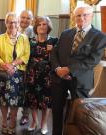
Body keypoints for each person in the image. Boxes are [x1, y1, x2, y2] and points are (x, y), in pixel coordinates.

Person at [50, 5, 106, 135]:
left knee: (80, 113)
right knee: (57, 111)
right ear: (74, 17)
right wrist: (58, 69)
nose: (82, 18)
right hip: (59, 79)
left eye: (85, 15)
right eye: (78, 15)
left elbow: (92, 60)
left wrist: (69, 70)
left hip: (81, 81)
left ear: (91, 16)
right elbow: (54, 53)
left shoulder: (100, 36)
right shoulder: (65, 33)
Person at [0, 12, 30, 135]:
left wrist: (13, 65)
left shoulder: (24, 38)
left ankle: (12, 122)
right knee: (3, 100)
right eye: (10, 21)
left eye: (15, 21)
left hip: (16, 74)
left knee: (14, 101)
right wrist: (5, 65)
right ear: (6, 23)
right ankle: (4, 122)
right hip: (3, 73)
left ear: (18, 23)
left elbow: (26, 55)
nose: (12, 24)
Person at [25, 16, 58, 135]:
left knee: (46, 101)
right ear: (36, 27)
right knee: (32, 99)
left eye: (44, 24)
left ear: (48, 27)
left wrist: (53, 50)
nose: (42, 27)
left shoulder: (54, 41)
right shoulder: (30, 40)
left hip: (47, 77)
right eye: (39, 24)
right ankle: (34, 122)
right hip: (32, 75)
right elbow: (25, 57)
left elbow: (58, 59)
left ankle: (44, 123)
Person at [18, 9, 34, 125]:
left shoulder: (34, 31)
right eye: (23, 17)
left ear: (31, 20)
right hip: (14, 65)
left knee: (26, 90)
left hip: (28, 66)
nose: (24, 20)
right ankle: (12, 111)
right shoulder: (14, 28)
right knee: (14, 87)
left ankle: (25, 115)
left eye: (28, 18)